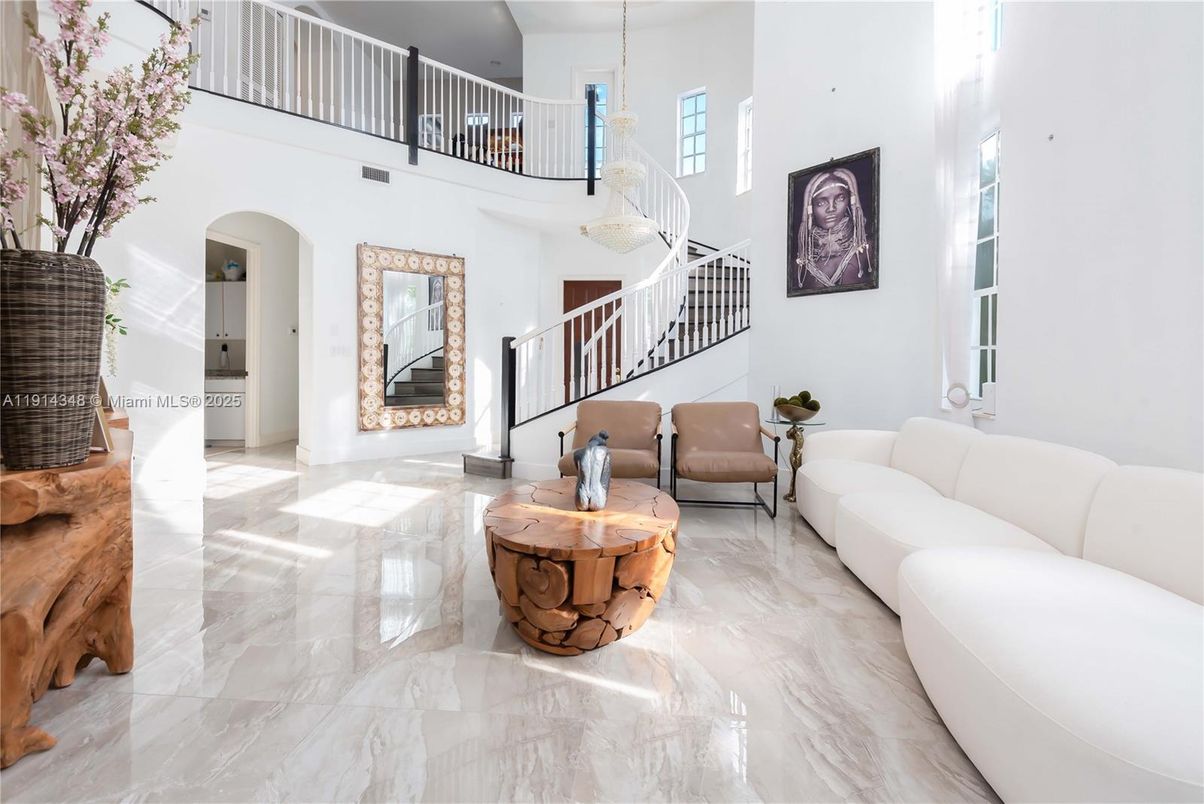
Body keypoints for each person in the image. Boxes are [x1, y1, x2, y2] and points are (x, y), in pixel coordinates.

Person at [795, 167, 873, 290]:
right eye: (821, 203)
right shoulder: (801, 265)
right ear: (811, 209)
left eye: (840, 198)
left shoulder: (867, 251)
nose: (831, 208)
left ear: (850, 201)